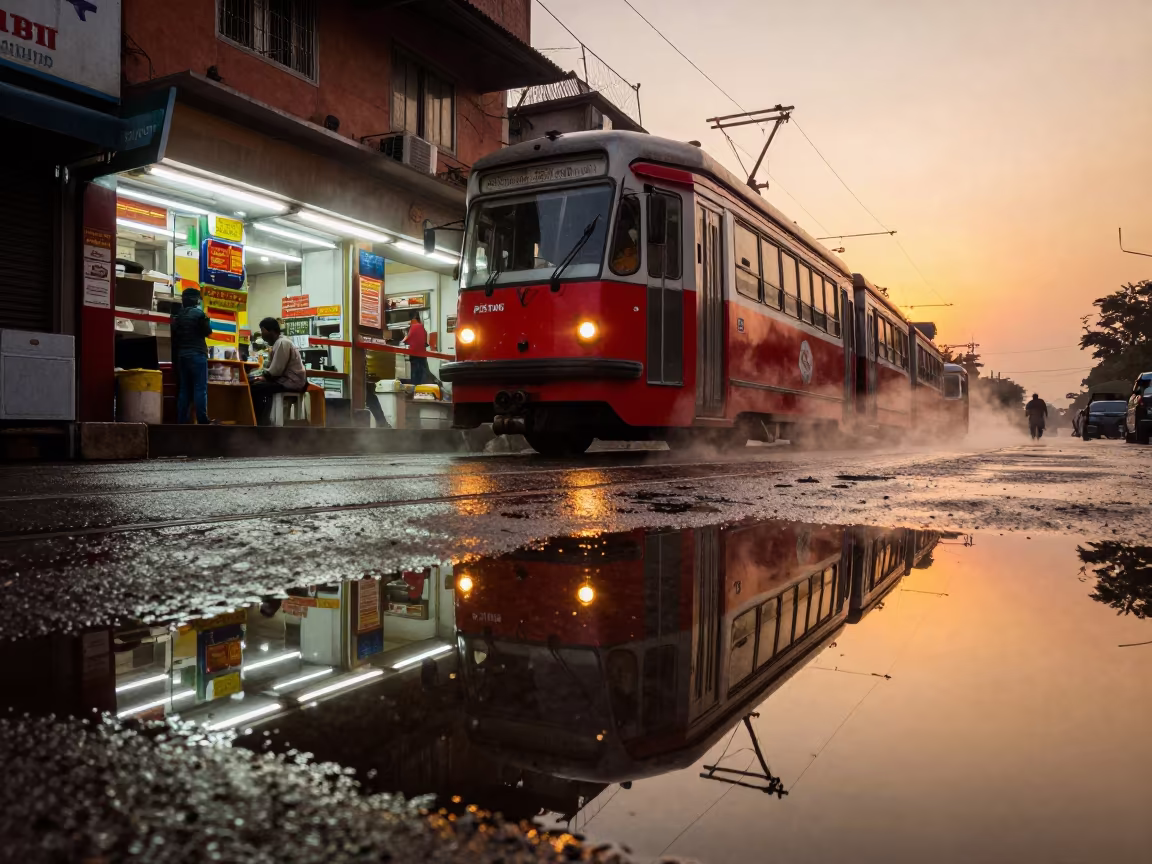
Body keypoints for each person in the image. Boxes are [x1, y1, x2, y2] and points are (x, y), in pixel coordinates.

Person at [250, 317, 307, 425]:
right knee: (258, 386)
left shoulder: (282, 343)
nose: (262, 335)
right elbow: (270, 368)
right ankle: (261, 420)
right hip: (285, 380)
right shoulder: (278, 343)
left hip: (291, 381)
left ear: (270, 331)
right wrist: (258, 375)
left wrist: (260, 377)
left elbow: (276, 371)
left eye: (262, 331)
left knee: (255, 388)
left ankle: (259, 422)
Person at [170, 287, 212, 424]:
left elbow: (175, 336)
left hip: (182, 356)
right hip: (197, 355)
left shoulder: (179, 316)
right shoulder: (199, 314)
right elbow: (207, 332)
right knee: (200, 388)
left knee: (184, 389)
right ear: (196, 299)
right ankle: (202, 420)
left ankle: (182, 420)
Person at [406, 314, 429, 386]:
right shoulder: (422, 327)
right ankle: (421, 385)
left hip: (413, 353)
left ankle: (415, 386)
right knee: (422, 371)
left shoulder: (413, 327)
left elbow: (408, 339)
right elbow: (425, 340)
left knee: (414, 371)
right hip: (422, 353)